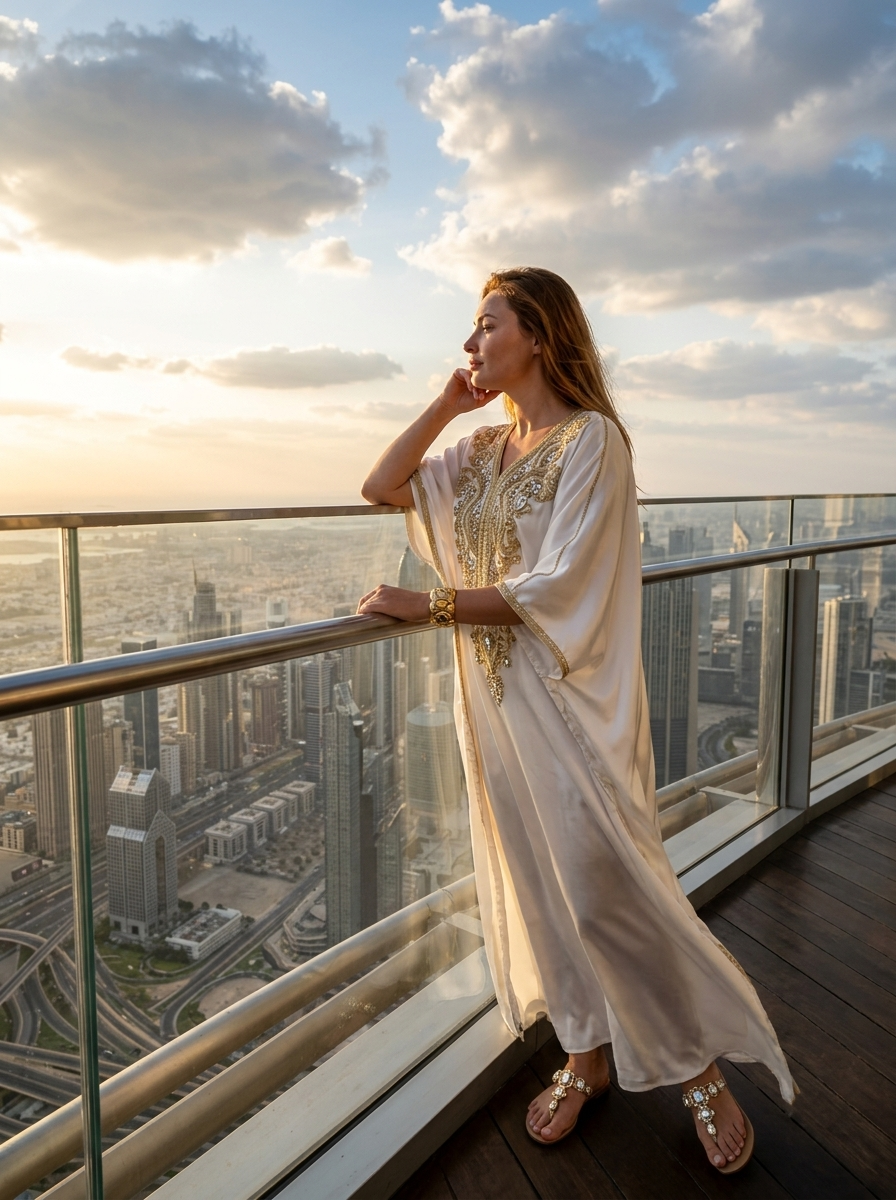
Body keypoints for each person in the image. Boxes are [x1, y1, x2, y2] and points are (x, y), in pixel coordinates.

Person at [358, 267, 793, 1172]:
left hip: (567, 706)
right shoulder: (478, 450)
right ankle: (586, 1053)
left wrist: (429, 605)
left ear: (540, 335)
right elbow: (380, 484)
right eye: (471, 331)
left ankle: (695, 1066)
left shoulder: (593, 442)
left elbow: (556, 588)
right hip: (493, 704)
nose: (472, 344)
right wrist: (444, 403)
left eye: (487, 326)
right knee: (537, 886)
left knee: (605, 887)